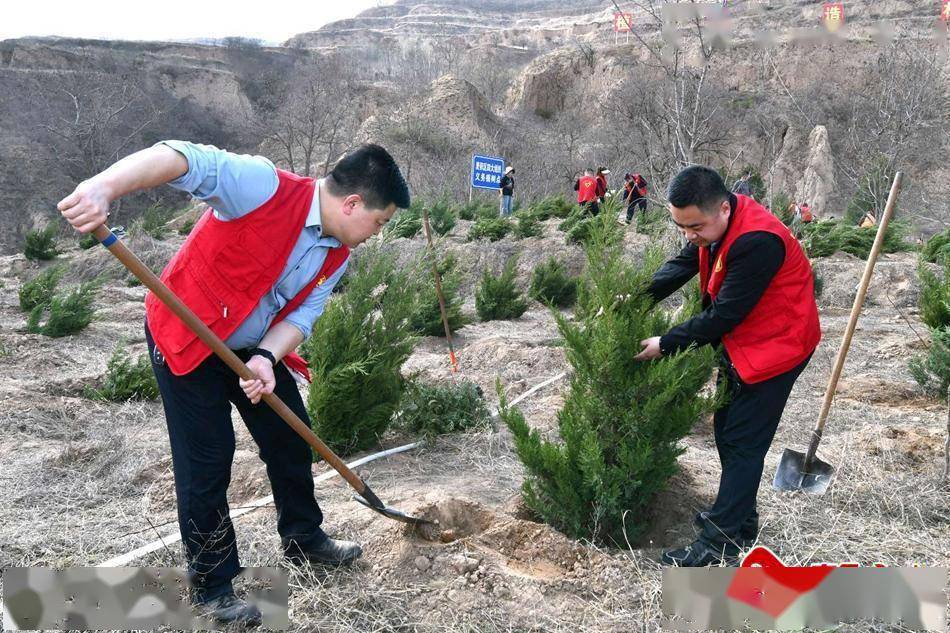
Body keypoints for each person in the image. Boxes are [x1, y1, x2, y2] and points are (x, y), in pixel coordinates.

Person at [57, 141, 410, 624]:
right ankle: (213, 586)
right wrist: (103, 188)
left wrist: (266, 357)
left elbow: (301, 317)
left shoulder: (337, 255)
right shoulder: (261, 186)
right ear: (352, 204)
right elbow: (180, 157)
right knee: (207, 459)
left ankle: (304, 538)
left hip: (252, 346)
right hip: (187, 335)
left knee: (290, 436)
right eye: (380, 222)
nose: (377, 233)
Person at [634, 165, 820, 567]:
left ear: (722, 208)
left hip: (779, 345)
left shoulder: (758, 242)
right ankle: (740, 520)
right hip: (747, 340)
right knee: (726, 429)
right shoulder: (715, 225)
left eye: (695, 227)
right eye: (681, 226)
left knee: (742, 440)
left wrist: (666, 343)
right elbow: (683, 264)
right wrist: (632, 299)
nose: (689, 235)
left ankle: (718, 542)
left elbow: (723, 316)